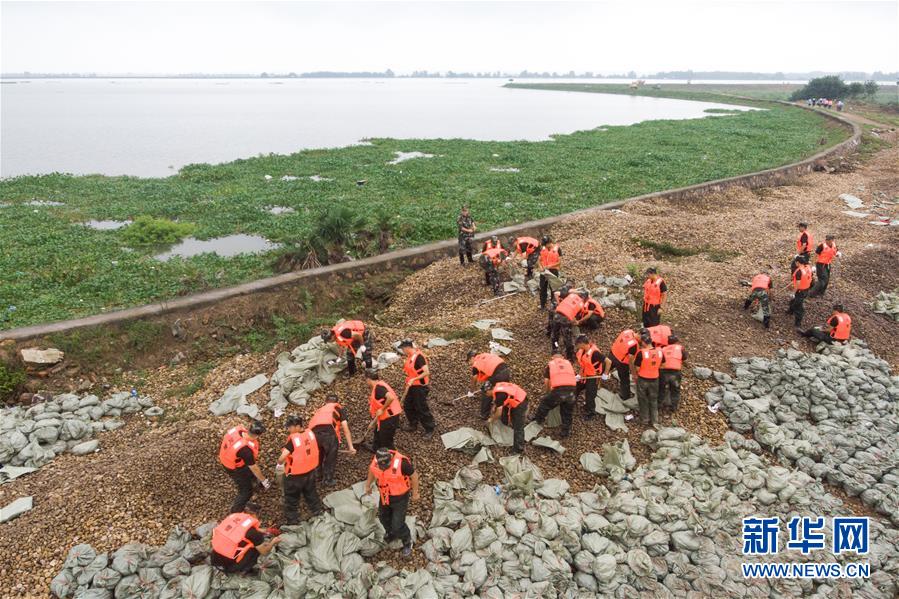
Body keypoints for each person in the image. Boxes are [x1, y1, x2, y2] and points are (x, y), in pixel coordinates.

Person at [365, 448, 420, 557]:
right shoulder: (376, 461)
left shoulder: (402, 464)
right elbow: (372, 470)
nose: (384, 468)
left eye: (386, 466)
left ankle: (407, 541)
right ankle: (391, 533)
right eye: (382, 466)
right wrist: (368, 484)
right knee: (383, 517)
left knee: (398, 524)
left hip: (400, 497)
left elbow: (414, 476)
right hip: (384, 495)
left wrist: (415, 493)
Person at [276, 416, 323, 524]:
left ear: (297, 426)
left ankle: (292, 520)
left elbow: (283, 457)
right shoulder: (310, 434)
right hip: (310, 471)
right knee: (311, 492)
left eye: (290, 427)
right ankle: (317, 511)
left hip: (295, 475)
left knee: (291, 498)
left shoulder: (294, 440)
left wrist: (279, 464)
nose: (288, 429)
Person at [210, 502, 281, 574]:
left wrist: (266, 530)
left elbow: (241, 530)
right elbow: (265, 552)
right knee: (256, 549)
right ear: (255, 514)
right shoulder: (255, 534)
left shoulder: (234, 517)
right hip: (229, 567)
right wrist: (273, 542)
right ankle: (245, 569)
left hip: (214, 560)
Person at [219, 421, 270, 514]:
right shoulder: (245, 450)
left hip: (228, 457)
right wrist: (264, 480)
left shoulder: (238, 430)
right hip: (233, 467)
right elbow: (254, 467)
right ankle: (236, 511)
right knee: (246, 491)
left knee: (249, 473)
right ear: (257, 436)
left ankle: (255, 482)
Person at [309, 397, 355, 488]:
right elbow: (345, 428)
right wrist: (351, 447)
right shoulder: (338, 408)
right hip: (328, 434)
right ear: (337, 402)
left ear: (326, 402)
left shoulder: (320, 410)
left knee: (318, 454)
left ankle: (318, 475)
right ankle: (327, 480)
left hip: (313, 435)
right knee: (330, 457)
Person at [532, 354, 578, 438]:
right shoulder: (568, 364)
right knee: (567, 412)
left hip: (559, 391)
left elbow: (547, 381)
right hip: (572, 390)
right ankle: (565, 432)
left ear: (552, 359)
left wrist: (548, 392)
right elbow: (573, 377)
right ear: (563, 358)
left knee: (545, 404)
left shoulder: (551, 365)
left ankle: (539, 419)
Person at [399, 340, 435, 438]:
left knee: (421, 407)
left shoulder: (419, 357)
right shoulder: (410, 357)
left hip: (420, 387)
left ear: (407, 347)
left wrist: (414, 379)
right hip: (411, 385)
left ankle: (429, 429)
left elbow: (426, 372)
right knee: (408, 405)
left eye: (402, 349)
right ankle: (413, 424)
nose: (402, 351)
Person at [631, 330, 664, 427]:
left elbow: (637, 368)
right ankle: (655, 421)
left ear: (644, 343)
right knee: (653, 399)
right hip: (655, 379)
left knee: (643, 399)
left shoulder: (641, 353)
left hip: (643, 379)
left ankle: (644, 419)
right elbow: (663, 365)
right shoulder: (660, 352)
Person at [574, 335, 611, 420]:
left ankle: (590, 412)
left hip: (593, 377)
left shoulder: (595, 353)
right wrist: (579, 375)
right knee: (576, 387)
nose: (577, 347)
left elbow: (608, 362)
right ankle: (572, 401)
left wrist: (605, 374)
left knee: (590, 395)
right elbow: (583, 364)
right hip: (584, 374)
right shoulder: (582, 351)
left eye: (578, 345)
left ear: (582, 344)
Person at [468, 351, 512, 419]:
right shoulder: (484, 355)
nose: (469, 363)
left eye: (469, 361)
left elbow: (474, 378)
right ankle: (503, 413)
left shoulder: (476, 364)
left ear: (472, 358)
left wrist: (471, 391)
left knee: (486, 391)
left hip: (498, 374)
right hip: (507, 371)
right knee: (501, 392)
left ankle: (484, 414)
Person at [488, 382, 528, 453]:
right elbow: (499, 401)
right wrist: (495, 406)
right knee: (505, 411)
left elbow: (499, 412)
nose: (486, 395)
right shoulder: (497, 387)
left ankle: (518, 448)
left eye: (486, 393)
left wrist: (492, 419)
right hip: (515, 397)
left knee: (518, 426)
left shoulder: (499, 395)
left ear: (489, 390)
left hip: (520, 402)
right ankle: (505, 423)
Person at [366, 372, 403, 450]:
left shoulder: (378, 389)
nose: (366, 383)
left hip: (390, 418)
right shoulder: (379, 385)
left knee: (386, 440)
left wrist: (382, 409)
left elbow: (390, 397)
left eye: (366, 380)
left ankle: (391, 456)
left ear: (369, 379)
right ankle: (375, 448)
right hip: (384, 416)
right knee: (377, 432)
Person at [551, 290, 585, 360]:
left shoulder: (570, 295)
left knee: (555, 334)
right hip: (565, 319)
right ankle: (570, 356)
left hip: (557, 315)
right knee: (567, 338)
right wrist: (577, 322)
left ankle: (556, 348)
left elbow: (557, 294)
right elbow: (574, 318)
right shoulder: (581, 304)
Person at [609, 329, 639, 400]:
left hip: (613, 354)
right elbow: (631, 361)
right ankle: (625, 396)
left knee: (604, 368)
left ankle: (596, 381)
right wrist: (634, 374)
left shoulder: (628, 331)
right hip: (621, 362)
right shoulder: (634, 345)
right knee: (624, 379)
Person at [659, 334, 686, 411]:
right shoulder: (680, 348)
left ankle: (659, 406)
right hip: (675, 373)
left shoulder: (663, 349)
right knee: (675, 390)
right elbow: (684, 357)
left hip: (663, 372)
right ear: (676, 342)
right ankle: (673, 407)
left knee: (661, 389)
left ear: (668, 342)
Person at [787, 256, 814, 328]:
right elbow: (811, 276)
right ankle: (790, 311)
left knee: (798, 306)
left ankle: (798, 323)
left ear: (798, 262)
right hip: (806, 288)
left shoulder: (799, 271)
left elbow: (798, 284)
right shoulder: (808, 267)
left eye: (796, 262)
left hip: (800, 290)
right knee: (794, 300)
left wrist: (793, 292)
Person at [538, 236, 562, 309]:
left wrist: (550, 266)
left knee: (553, 289)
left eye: (546, 244)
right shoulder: (543, 249)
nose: (545, 246)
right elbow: (539, 260)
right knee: (542, 288)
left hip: (553, 271)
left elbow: (559, 263)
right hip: (544, 271)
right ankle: (542, 304)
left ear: (549, 243)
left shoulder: (557, 249)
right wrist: (540, 267)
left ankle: (553, 304)